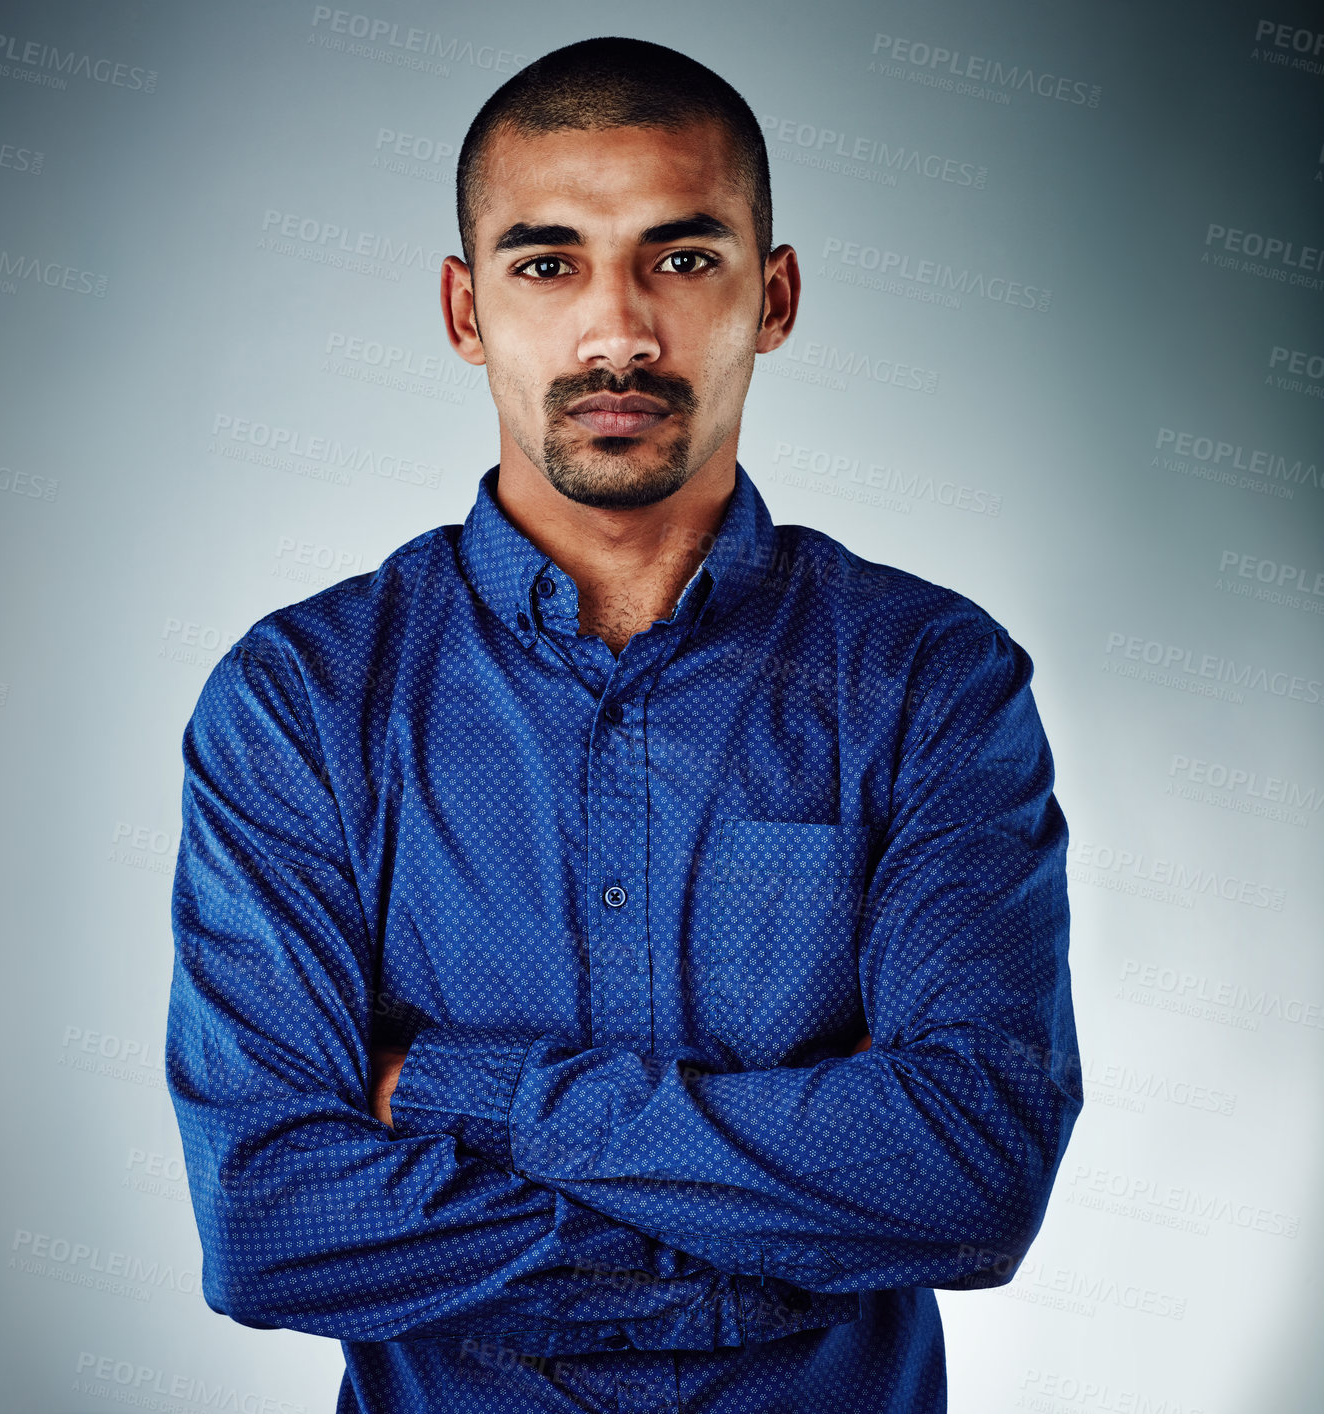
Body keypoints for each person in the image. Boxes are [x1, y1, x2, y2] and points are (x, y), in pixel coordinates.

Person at [166, 36, 1081, 1414]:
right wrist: (759, 1228)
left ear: (769, 296)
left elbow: (970, 1172)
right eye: (546, 264)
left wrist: (463, 1090)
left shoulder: (928, 680)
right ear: (464, 310)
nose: (617, 332)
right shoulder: (299, 701)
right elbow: (270, 1219)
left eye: (681, 256)